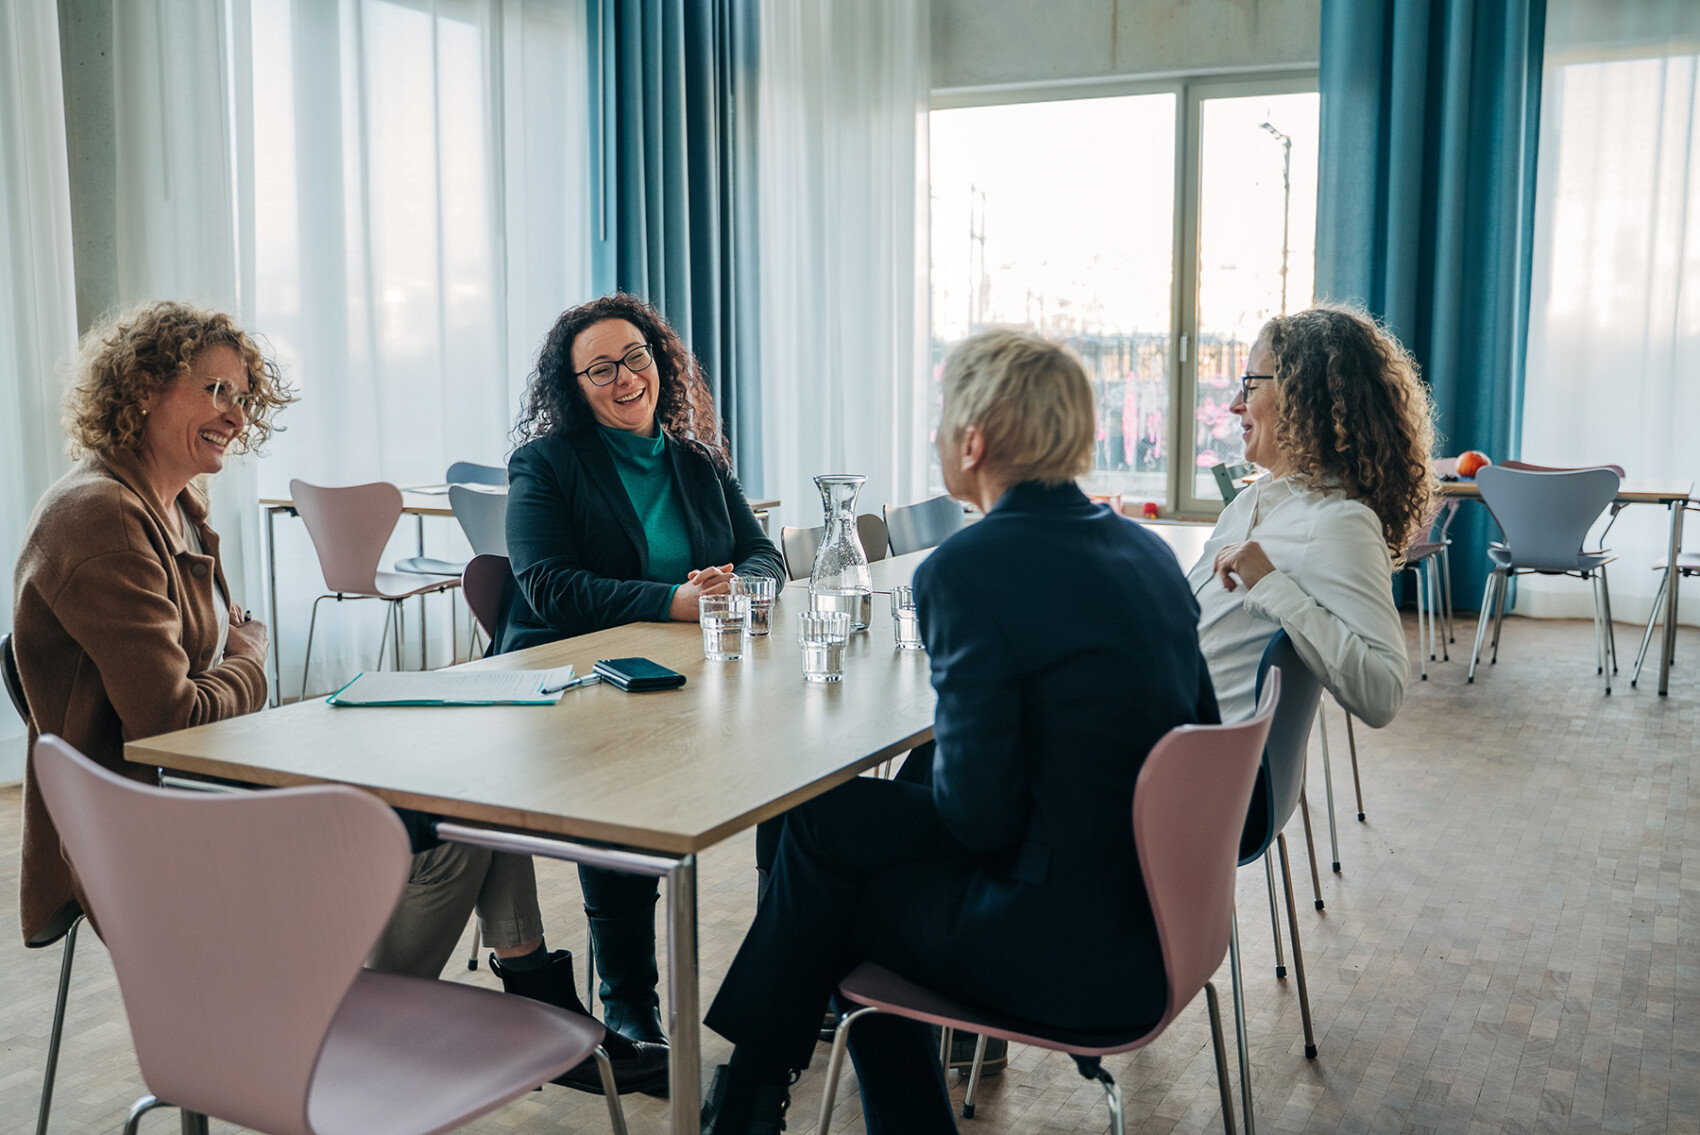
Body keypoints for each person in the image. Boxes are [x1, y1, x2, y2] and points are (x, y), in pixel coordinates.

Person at [11, 301, 663, 1095]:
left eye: (243, 396)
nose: (234, 413)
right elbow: (173, 719)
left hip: (202, 793)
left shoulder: (171, 502)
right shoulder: (105, 517)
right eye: (213, 388)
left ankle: (529, 994)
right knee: (462, 820)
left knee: (469, 791)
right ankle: (359, 1030)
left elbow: (193, 694)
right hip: (158, 833)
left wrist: (240, 670)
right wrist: (251, 656)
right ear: (144, 388)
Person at [697, 328, 1220, 1135]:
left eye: (942, 420)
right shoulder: (1146, 552)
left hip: (1073, 952)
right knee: (831, 823)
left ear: (973, 442)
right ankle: (750, 1092)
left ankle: (750, 1095)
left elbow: (980, 820)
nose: (936, 436)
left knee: (837, 889)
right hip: (1169, 921)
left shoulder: (969, 568)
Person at [501, 293, 785, 1055]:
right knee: (622, 784)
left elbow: (766, 554)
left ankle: (789, 968)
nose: (625, 378)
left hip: (689, 670)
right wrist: (675, 600)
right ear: (575, 386)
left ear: (659, 362)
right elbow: (548, 585)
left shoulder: (696, 460)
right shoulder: (546, 464)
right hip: (572, 681)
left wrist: (737, 587)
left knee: (795, 768)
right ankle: (629, 1005)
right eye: (600, 368)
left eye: (635, 357)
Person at [1190, 304, 1437, 726]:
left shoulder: (1338, 522)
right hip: (1170, 731)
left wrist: (1272, 586)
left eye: (1250, 384)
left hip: (1206, 767)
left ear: (1302, 396)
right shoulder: (1250, 503)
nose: (1235, 405)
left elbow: (1384, 693)